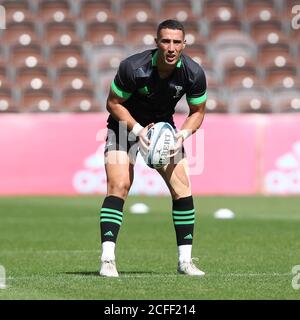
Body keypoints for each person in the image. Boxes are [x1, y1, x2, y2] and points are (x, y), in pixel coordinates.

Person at [99, 19, 207, 277]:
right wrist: (137, 130)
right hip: (124, 127)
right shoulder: (133, 67)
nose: (171, 47)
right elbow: (113, 103)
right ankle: (107, 259)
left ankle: (185, 262)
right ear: (156, 42)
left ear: (184, 44)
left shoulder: (193, 73)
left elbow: (197, 111)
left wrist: (182, 135)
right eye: (166, 41)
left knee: (183, 187)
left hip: (164, 130)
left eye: (176, 42)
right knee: (119, 185)